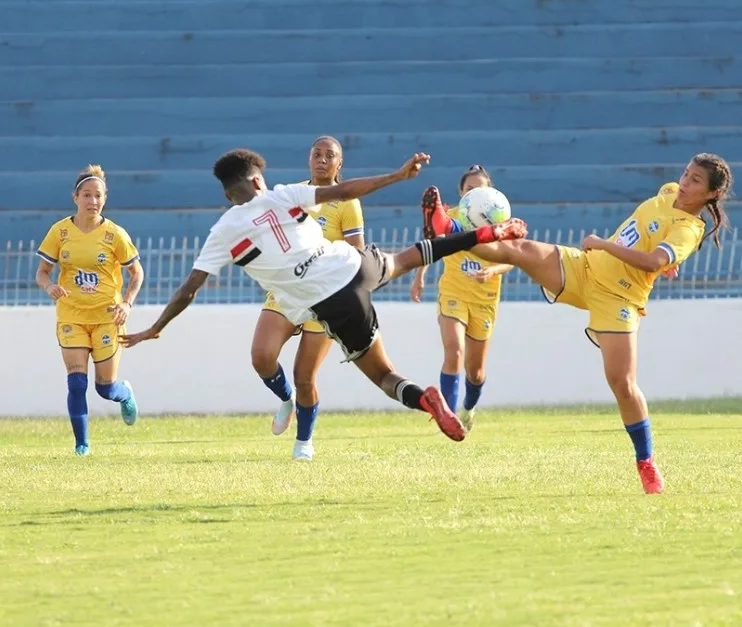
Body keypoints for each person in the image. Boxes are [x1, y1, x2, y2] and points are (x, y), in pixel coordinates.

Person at [121, 149, 527, 458]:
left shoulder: (223, 231)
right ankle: (485, 235)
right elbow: (345, 190)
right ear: (258, 180)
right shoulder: (283, 195)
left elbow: (189, 288)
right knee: (407, 257)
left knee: (385, 377)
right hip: (352, 264)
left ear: (229, 194)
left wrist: (156, 328)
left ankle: (426, 401)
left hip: (331, 302)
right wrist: (397, 175)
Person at [421, 153, 734, 494]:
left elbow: (653, 260)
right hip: (583, 268)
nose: (684, 183)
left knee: (622, 384)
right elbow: (653, 242)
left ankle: (646, 463)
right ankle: (448, 227)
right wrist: (659, 261)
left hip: (619, 298)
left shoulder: (688, 229)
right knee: (516, 248)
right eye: (686, 174)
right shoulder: (669, 191)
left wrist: (609, 246)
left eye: (695, 181)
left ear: (712, 194)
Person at [251, 136, 366, 459]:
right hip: (288, 289)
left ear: (339, 164)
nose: (323, 159)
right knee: (262, 356)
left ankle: (304, 442)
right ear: (309, 159)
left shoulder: (347, 203)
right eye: (318, 154)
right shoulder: (293, 195)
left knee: (305, 375)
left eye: (331, 155)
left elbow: (357, 254)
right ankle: (286, 399)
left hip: (325, 296)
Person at [35, 165, 144, 456]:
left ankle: (124, 394)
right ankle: (82, 445)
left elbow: (137, 273)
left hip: (107, 317)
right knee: (76, 382)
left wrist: (126, 303)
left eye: (97, 196)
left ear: (104, 199)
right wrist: (50, 288)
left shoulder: (115, 235)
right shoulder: (60, 232)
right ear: (75, 197)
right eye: (86, 195)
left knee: (104, 388)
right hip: (71, 315)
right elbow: (43, 272)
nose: (92, 201)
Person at [410, 165, 513, 431]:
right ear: (461, 192)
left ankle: (468, 408)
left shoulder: (500, 218)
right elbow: (433, 243)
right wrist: (420, 275)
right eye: (470, 188)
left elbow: (512, 260)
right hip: (454, 292)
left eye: (481, 187)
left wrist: (492, 270)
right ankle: (449, 418)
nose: (476, 192)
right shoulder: (452, 217)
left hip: (485, 299)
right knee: (454, 352)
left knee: (475, 372)